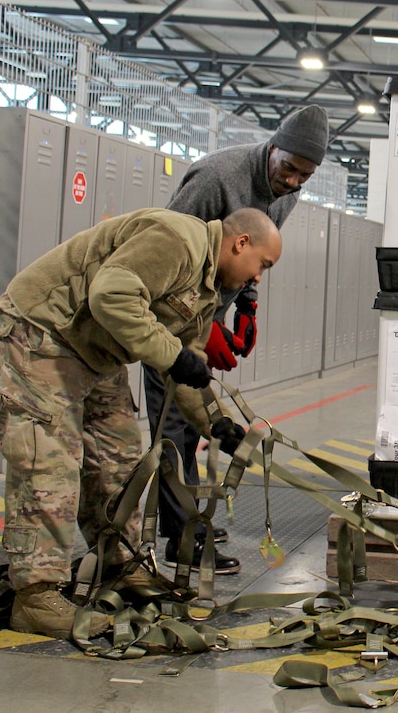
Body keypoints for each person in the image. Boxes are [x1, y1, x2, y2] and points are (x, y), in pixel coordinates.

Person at [0, 207, 282, 640]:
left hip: (96, 351)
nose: (258, 277)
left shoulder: (207, 288)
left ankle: (121, 564)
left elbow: (185, 362)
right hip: (45, 332)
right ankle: (35, 596)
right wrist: (176, 358)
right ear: (240, 243)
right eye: (263, 264)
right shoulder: (175, 240)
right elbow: (111, 296)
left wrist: (215, 422)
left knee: (120, 459)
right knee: (50, 465)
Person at [143, 104, 329, 574]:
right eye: (288, 169)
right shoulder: (215, 179)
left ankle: (177, 517)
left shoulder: (287, 193)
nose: (292, 183)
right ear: (273, 147)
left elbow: (257, 252)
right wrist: (201, 329)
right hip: (166, 316)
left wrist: (246, 305)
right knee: (172, 421)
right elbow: (163, 254)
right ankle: (186, 537)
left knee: (191, 422)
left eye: (304, 177)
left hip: (208, 310)